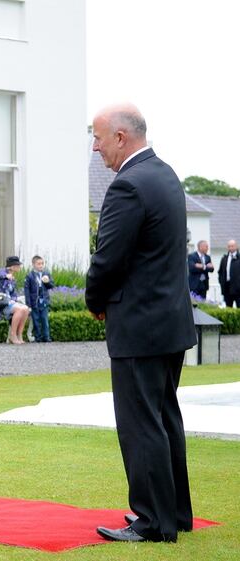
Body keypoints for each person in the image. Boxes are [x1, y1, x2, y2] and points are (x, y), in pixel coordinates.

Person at [87, 103, 196, 543]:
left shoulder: (128, 185)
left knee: (141, 423)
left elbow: (108, 257)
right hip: (169, 323)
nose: (94, 147)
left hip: (139, 324)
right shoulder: (166, 174)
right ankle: (176, 513)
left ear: (120, 137)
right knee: (166, 417)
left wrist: (95, 301)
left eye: (97, 138)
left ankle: (152, 521)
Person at [0, 256, 30, 344]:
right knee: (19, 309)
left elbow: (13, 294)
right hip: (1, 303)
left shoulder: (12, 279)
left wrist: (13, 300)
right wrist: (6, 276)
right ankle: (13, 335)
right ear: (12, 266)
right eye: (18, 265)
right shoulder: (2, 272)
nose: (19, 267)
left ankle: (19, 334)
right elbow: (0, 275)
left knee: (26, 309)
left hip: (9, 303)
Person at [23, 255, 54, 343]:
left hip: (44, 301)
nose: (41, 265)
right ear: (33, 264)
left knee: (45, 319)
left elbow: (51, 286)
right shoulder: (29, 276)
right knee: (36, 320)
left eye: (42, 263)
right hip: (34, 302)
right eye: (39, 264)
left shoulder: (46, 274)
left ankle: (46, 337)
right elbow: (27, 291)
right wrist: (28, 304)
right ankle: (38, 337)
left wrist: (47, 282)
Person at [219, 239, 239, 308]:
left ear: (236, 247)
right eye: (229, 246)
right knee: (228, 308)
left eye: (232, 246)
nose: (230, 248)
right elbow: (220, 272)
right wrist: (221, 283)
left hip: (238, 289)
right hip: (227, 288)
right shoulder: (224, 258)